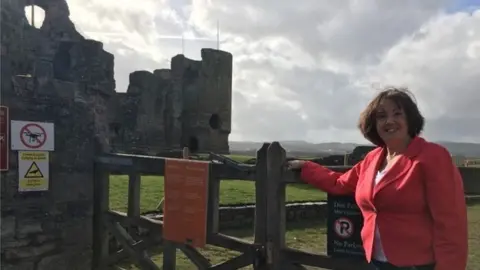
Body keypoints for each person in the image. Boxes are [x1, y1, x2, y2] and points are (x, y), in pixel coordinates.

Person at [287, 87, 468, 270]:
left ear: (410, 119)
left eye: (397, 114)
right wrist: (307, 168)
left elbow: (451, 223)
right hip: (376, 261)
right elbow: (339, 183)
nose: (389, 121)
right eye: (381, 116)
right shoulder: (372, 159)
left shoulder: (433, 157)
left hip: (418, 264)